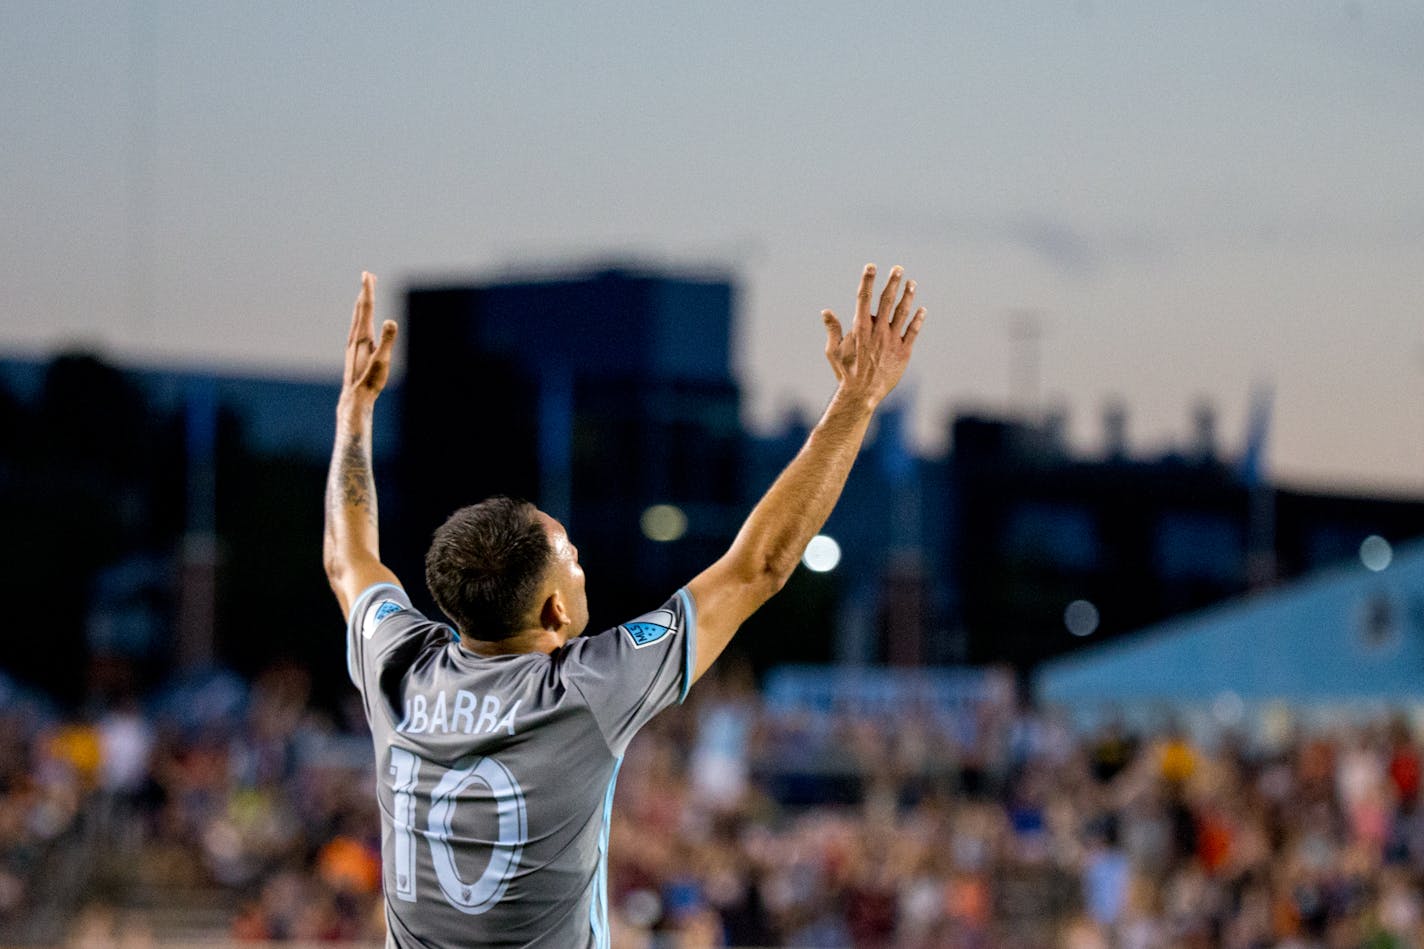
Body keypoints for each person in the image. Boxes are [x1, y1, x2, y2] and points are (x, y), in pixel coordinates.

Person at [323, 264, 926, 947]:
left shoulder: (398, 666)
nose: (585, 569)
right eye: (572, 559)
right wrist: (858, 399)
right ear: (552, 611)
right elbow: (760, 564)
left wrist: (352, 417)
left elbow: (347, 556)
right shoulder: (583, 689)